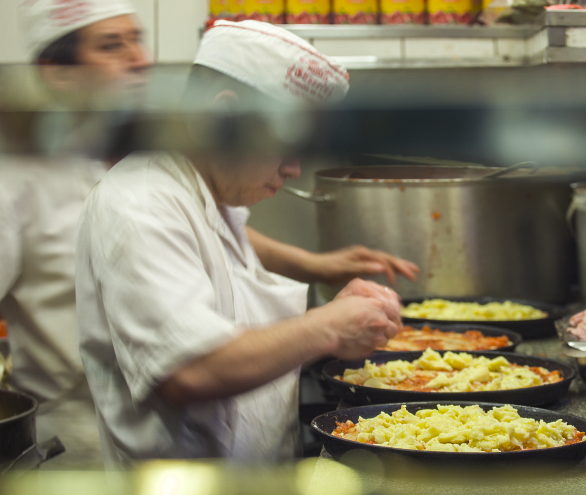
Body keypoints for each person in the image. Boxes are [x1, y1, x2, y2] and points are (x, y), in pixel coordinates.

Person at [75, 20, 416, 466]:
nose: (294, 168)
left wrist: (330, 313)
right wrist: (328, 326)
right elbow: (189, 369)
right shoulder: (137, 203)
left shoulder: (206, 192)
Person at [0, 0, 151, 469]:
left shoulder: (144, 151)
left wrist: (311, 265)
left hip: (172, 437)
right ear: (56, 72)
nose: (140, 59)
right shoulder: (15, 177)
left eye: (136, 39)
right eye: (111, 46)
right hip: (75, 446)